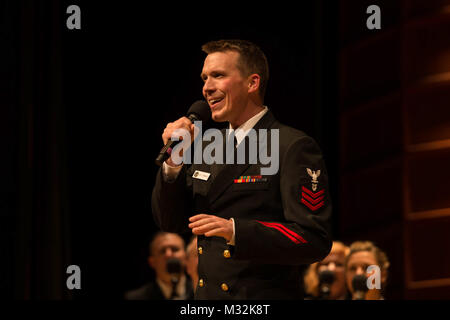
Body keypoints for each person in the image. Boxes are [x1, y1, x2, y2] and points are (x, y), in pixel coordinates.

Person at [152, 39, 332, 299]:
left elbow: (314, 239)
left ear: (252, 83)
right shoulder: (207, 147)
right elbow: (170, 221)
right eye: (204, 78)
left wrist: (237, 231)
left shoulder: (291, 146)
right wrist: (173, 161)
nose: (206, 88)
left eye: (218, 75)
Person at [124, 232, 194, 300]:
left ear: (186, 257)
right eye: (162, 251)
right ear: (152, 262)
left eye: (174, 249)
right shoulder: (134, 298)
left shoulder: (201, 292)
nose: (169, 254)